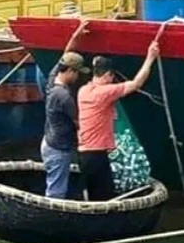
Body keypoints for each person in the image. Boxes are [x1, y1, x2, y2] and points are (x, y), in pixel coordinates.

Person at [76, 42, 160, 201]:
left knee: (92, 197)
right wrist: (150, 57)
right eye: (112, 77)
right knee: (105, 199)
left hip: (83, 153)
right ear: (108, 75)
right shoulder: (106, 92)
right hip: (97, 154)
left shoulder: (83, 91)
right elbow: (136, 84)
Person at [40, 28, 88, 199]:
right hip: (59, 149)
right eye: (77, 73)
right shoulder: (65, 97)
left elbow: (66, 54)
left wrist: (76, 36)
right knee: (56, 192)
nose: (77, 78)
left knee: (55, 183)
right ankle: (51, 222)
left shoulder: (52, 80)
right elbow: (78, 123)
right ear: (69, 71)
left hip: (48, 142)